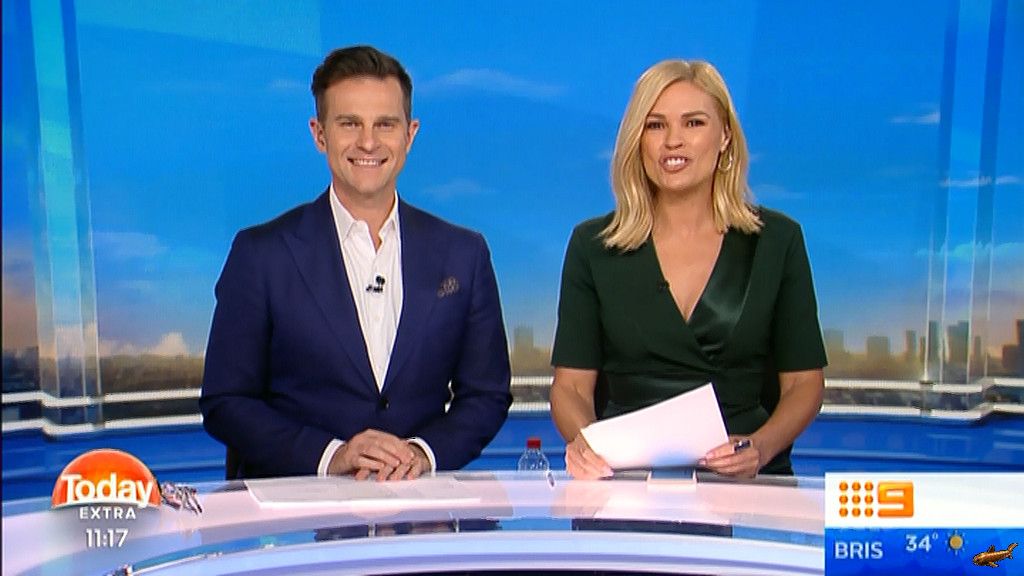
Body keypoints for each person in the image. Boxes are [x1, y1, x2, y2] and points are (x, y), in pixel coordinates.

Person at [200, 45, 512, 481]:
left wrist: (421, 454)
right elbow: (226, 401)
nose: (368, 142)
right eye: (349, 124)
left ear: (410, 134)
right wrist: (334, 455)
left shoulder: (464, 253)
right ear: (319, 134)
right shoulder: (261, 254)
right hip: (298, 509)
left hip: (422, 509)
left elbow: (486, 395)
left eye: (385, 124)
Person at [550, 59, 826, 479]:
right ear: (637, 140)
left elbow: (803, 384)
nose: (672, 141)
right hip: (626, 482)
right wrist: (586, 444)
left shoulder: (777, 241)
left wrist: (760, 448)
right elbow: (571, 387)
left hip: (747, 482)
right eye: (655, 125)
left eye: (693, 123)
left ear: (725, 136)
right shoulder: (594, 246)